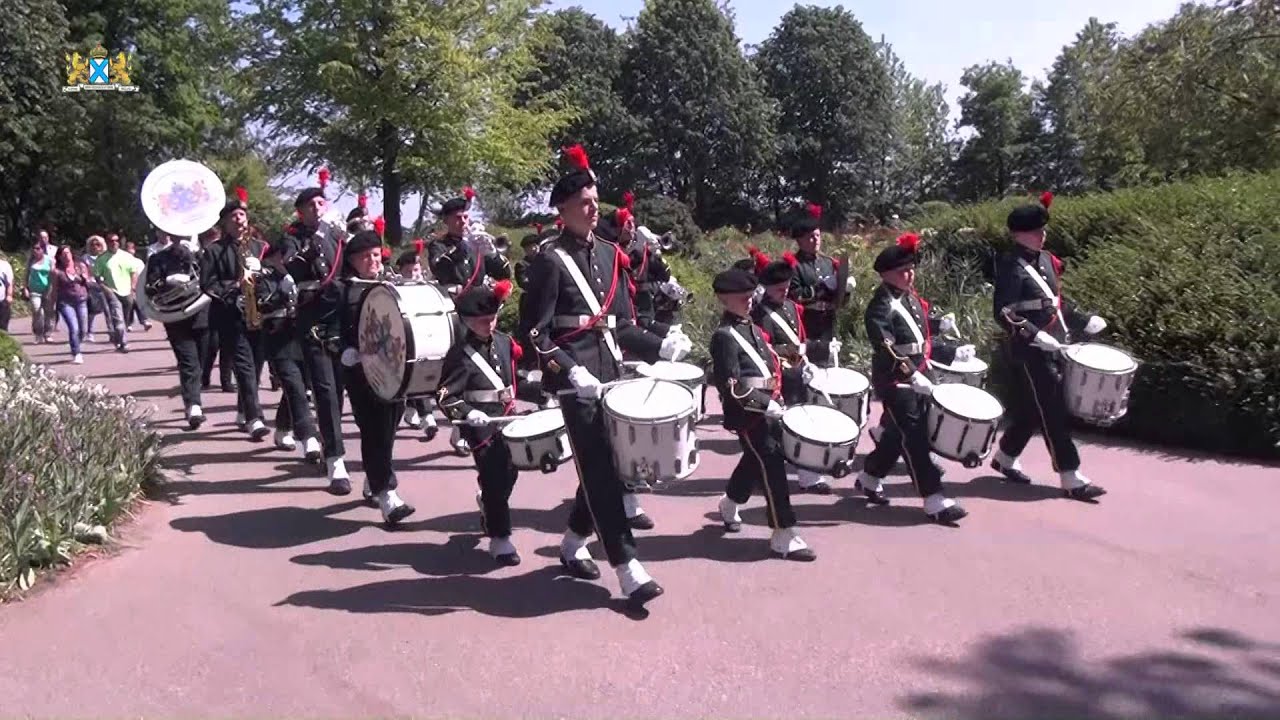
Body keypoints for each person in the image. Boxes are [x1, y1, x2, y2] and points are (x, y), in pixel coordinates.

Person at [519, 144, 691, 608]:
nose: (594, 209)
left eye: (596, 201)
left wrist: (661, 345)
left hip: (611, 373)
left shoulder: (611, 253)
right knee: (598, 466)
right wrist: (571, 372)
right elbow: (534, 332)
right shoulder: (550, 261)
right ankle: (627, 566)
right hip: (576, 382)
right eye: (585, 203)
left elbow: (624, 324)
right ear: (563, 209)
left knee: (609, 467)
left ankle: (574, 541)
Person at [991, 193, 1107, 501]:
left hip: (1056, 346)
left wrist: (1083, 319)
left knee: (1032, 409)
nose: (1043, 235)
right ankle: (1071, 476)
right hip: (1029, 351)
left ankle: (1004, 457)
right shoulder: (1010, 265)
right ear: (1019, 234)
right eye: (1036, 231)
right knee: (1053, 408)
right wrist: (1032, 334)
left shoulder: (1045, 260)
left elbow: (1053, 305)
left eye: (1043, 230)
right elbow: (1003, 311)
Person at [854, 233, 967, 524]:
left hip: (920, 374)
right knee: (915, 436)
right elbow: (887, 347)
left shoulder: (909, 298)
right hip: (896, 380)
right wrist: (912, 374)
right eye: (903, 270)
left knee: (897, 434)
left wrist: (946, 336)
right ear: (886, 274)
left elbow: (919, 334)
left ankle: (870, 476)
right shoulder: (878, 308)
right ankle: (934, 498)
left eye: (911, 268)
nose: (910, 273)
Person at [710, 267, 816, 561]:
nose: (747, 300)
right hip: (748, 414)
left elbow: (771, 366)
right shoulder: (724, 337)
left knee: (754, 461)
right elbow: (731, 386)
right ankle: (783, 532)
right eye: (740, 297)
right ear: (724, 299)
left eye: (749, 295)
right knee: (771, 463)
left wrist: (801, 365)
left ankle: (730, 502)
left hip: (771, 406)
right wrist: (762, 404)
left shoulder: (753, 329)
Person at [437, 280, 524, 566]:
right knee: (494, 477)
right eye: (483, 321)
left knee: (512, 473)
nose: (490, 324)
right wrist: (466, 414)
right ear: (466, 321)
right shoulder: (459, 353)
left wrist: (541, 390)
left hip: (507, 417)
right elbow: (445, 397)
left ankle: (488, 503)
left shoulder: (503, 341)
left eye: (493, 318)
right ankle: (500, 538)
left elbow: (513, 379)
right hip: (481, 425)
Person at [276, 177, 352, 488]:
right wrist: (319, 237)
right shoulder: (293, 238)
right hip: (312, 317)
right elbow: (293, 267)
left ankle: (326, 443)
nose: (318, 208)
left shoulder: (337, 236)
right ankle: (336, 460)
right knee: (323, 388)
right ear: (300, 211)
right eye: (311, 205)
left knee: (339, 387)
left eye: (322, 203)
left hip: (341, 316)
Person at [337, 230, 415, 518]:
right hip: (360, 373)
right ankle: (388, 495)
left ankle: (374, 479)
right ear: (353, 261)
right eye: (364, 257)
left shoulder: (390, 286)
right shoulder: (343, 290)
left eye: (375, 255)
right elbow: (325, 328)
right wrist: (343, 349)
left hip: (395, 370)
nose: (372, 260)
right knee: (374, 430)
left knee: (389, 428)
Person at [747, 247, 835, 494]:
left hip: (796, 374)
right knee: (770, 432)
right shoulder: (757, 313)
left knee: (803, 425)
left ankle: (808, 476)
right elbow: (765, 349)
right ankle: (757, 475)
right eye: (778, 288)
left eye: (786, 287)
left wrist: (812, 357)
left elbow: (800, 341)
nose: (784, 292)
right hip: (774, 378)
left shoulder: (793, 308)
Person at [200, 189, 270, 440]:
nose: (238, 219)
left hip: (260, 313)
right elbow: (207, 284)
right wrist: (234, 287)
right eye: (233, 216)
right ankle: (255, 418)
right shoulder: (214, 251)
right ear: (225, 223)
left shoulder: (261, 248)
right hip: (230, 315)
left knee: (257, 365)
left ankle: (243, 410)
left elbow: (274, 275)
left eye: (241, 214)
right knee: (244, 368)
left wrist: (264, 277)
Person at [143, 231, 210, 429]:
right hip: (175, 315)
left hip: (201, 313)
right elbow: (150, 287)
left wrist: (199, 257)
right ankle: (193, 406)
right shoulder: (158, 258)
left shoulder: (200, 255)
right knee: (188, 361)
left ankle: (193, 398)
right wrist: (167, 281)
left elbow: (211, 281)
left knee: (202, 361)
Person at [787, 202, 854, 367]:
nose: (815, 240)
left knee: (827, 364)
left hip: (827, 321)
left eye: (817, 235)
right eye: (810, 237)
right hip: (806, 321)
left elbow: (838, 300)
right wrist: (823, 286)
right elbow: (796, 295)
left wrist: (845, 290)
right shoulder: (794, 265)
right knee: (806, 365)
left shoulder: (829, 262)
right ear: (800, 241)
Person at [394, 242, 440, 440]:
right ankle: (425, 416)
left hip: (425, 339)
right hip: (404, 342)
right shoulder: (395, 289)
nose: (414, 274)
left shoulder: (427, 288)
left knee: (423, 376)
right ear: (401, 270)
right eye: (410, 270)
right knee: (412, 378)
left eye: (416, 269)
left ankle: (419, 414)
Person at [93, 233, 144, 353]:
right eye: (111, 241)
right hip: (112, 291)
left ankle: (119, 338)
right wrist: (104, 287)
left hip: (127, 291)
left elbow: (134, 273)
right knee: (118, 318)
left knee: (125, 319)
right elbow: (97, 276)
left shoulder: (126, 256)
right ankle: (124, 343)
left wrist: (133, 287)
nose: (114, 242)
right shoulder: (102, 259)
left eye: (116, 240)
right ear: (107, 243)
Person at [24, 243, 54, 344]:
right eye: (34, 248)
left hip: (47, 289)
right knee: (37, 311)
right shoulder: (31, 261)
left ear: (42, 250)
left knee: (49, 312)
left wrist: (52, 289)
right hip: (34, 290)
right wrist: (25, 288)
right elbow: (26, 274)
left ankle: (48, 333)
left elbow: (53, 275)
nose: (35, 250)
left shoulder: (49, 260)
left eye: (38, 248)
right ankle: (38, 334)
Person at [0, 254, 13, 333]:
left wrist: (9, 295)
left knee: (2, 327)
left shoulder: (5, 265)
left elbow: (9, 283)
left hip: (2, 300)